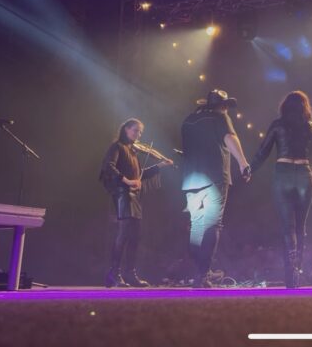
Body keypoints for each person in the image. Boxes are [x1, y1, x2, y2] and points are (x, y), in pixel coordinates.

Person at [181, 89, 251, 287]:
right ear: (222, 106)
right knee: (212, 224)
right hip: (214, 176)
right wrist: (243, 163)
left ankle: (198, 271)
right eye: (226, 106)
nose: (227, 109)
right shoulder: (220, 117)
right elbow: (230, 138)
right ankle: (202, 274)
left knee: (196, 224)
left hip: (191, 178)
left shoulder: (188, 120)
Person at [249, 91, 312, 288]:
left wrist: (249, 169)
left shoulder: (277, 125)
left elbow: (263, 150)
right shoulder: (311, 127)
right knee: (301, 226)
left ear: (285, 106)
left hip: (283, 173)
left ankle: (290, 275)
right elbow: (311, 151)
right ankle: (297, 271)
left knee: (288, 227)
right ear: (305, 107)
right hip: (304, 174)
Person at [99, 118, 173, 287]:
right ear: (126, 129)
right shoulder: (117, 146)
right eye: (135, 130)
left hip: (134, 196)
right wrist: (127, 180)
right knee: (123, 234)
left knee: (135, 236)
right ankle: (114, 273)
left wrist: (160, 166)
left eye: (140, 132)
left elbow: (140, 175)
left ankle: (130, 273)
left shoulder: (133, 151)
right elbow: (109, 166)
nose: (138, 135)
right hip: (122, 193)